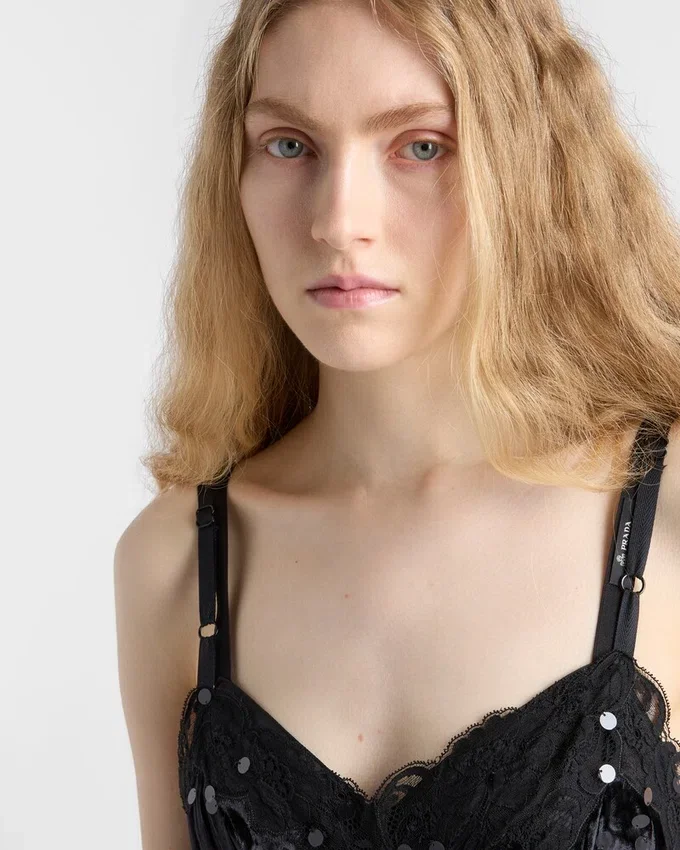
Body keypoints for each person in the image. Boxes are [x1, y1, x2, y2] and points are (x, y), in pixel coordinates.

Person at [113, 1, 680, 848]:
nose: (338, 222)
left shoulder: (663, 515)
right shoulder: (175, 566)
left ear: (525, 161)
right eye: (289, 145)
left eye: (420, 146)